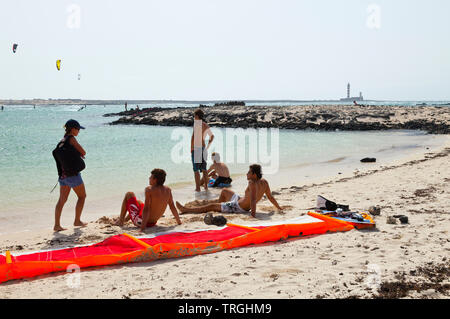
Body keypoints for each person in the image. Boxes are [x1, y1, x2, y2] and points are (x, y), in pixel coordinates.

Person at [176, 164, 282, 218]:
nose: (246, 174)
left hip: (238, 207)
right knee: (225, 191)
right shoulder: (264, 182)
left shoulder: (252, 183)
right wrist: (279, 208)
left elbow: (253, 200)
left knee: (211, 206)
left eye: (249, 172)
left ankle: (186, 210)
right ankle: (219, 206)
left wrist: (253, 216)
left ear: (254, 174)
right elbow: (270, 197)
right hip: (240, 200)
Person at [115, 168, 182, 231]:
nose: (149, 178)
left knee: (129, 194)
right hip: (153, 223)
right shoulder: (168, 190)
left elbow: (146, 209)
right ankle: (125, 220)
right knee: (138, 202)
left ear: (155, 180)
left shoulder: (149, 190)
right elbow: (172, 207)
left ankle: (121, 221)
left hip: (142, 222)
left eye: (151, 177)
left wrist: (142, 228)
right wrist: (179, 222)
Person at [53, 119, 87, 232]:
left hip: (63, 176)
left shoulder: (61, 141)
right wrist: (79, 154)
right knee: (82, 196)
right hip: (73, 175)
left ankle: (57, 225)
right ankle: (77, 220)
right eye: (78, 129)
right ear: (72, 129)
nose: (79, 131)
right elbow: (83, 151)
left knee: (61, 200)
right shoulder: (71, 138)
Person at [191, 108, 214, 192]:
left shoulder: (197, 124)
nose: (194, 117)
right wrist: (208, 144)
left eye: (194, 116)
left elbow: (193, 137)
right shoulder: (205, 125)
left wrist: (191, 148)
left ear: (197, 116)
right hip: (203, 148)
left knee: (196, 169)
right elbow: (212, 136)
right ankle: (206, 187)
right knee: (204, 169)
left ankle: (197, 188)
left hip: (196, 148)